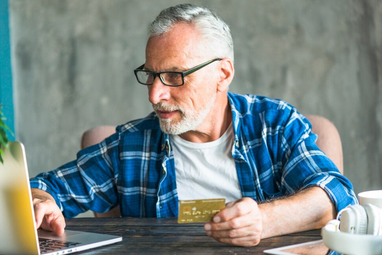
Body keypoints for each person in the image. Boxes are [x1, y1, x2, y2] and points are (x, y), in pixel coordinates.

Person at [30, 3, 357, 247]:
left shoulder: (273, 125)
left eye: (175, 76)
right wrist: (39, 203)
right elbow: (44, 188)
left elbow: (339, 196)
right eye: (151, 75)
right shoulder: (132, 145)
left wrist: (265, 219)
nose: (155, 95)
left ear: (223, 74)